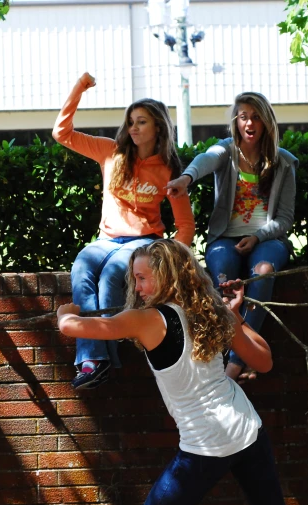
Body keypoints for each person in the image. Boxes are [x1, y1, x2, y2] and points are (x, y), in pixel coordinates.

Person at [57, 239, 292, 505]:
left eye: (142, 278)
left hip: (205, 445)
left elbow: (71, 328)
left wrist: (64, 315)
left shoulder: (145, 319)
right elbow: (264, 361)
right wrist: (235, 317)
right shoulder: (209, 310)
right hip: (247, 429)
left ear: (167, 276)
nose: (138, 287)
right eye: (135, 279)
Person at [52, 72, 195, 390]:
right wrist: (79, 88)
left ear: (158, 126)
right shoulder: (110, 153)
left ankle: (98, 358)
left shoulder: (168, 169)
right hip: (107, 239)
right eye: (131, 121)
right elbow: (62, 133)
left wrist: (168, 257)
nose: (133, 127)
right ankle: (94, 359)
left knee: (112, 275)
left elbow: (185, 226)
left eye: (141, 122)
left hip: (145, 240)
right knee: (82, 266)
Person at [166, 92, 297, 381]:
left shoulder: (284, 163)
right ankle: (232, 354)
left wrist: (258, 237)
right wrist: (185, 179)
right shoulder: (226, 151)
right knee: (223, 275)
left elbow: (285, 218)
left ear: (266, 121)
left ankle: (237, 360)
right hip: (225, 237)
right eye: (243, 116)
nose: (249, 122)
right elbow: (206, 159)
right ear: (236, 121)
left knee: (262, 271)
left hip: (267, 240)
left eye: (256, 116)